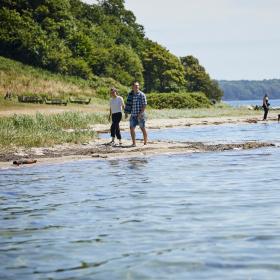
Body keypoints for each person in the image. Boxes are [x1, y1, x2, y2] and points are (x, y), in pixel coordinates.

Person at [124, 81, 147, 147]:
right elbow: (128, 104)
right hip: (133, 115)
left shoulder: (142, 94)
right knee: (131, 128)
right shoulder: (130, 94)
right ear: (132, 87)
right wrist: (126, 113)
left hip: (141, 115)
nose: (136, 87)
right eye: (135, 86)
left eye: (137, 86)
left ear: (139, 86)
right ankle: (134, 143)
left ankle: (145, 143)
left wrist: (140, 113)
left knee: (142, 128)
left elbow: (144, 105)